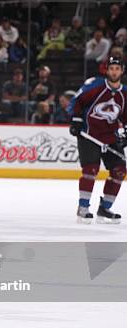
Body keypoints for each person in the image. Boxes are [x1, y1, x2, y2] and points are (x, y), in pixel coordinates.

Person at [68, 56, 127, 223]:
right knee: (90, 170)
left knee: (120, 170)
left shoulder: (125, 93)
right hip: (90, 135)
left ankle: (105, 207)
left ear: (122, 71)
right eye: (111, 68)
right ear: (106, 70)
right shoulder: (95, 85)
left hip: (110, 136)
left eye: (117, 69)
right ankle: (83, 208)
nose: (114, 71)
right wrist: (76, 120)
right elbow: (77, 101)